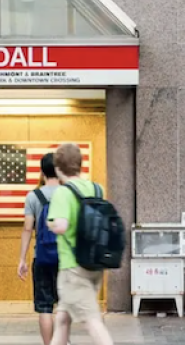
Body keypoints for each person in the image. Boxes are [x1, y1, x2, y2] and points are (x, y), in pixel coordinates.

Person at [47, 144, 114, 345]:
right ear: (80, 164)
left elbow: (60, 225)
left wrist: (49, 223)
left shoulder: (63, 193)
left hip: (72, 268)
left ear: (58, 168)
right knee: (62, 318)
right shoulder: (96, 188)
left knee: (92, 321)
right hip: (94, 263)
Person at [17, 153, 61, 345]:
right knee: (64, 305)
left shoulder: (33, 196)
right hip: (67, 258)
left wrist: (22, 259)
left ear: (42, 172)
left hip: (42, 257)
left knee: (45, 307)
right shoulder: (70, 194)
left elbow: (28, 228)